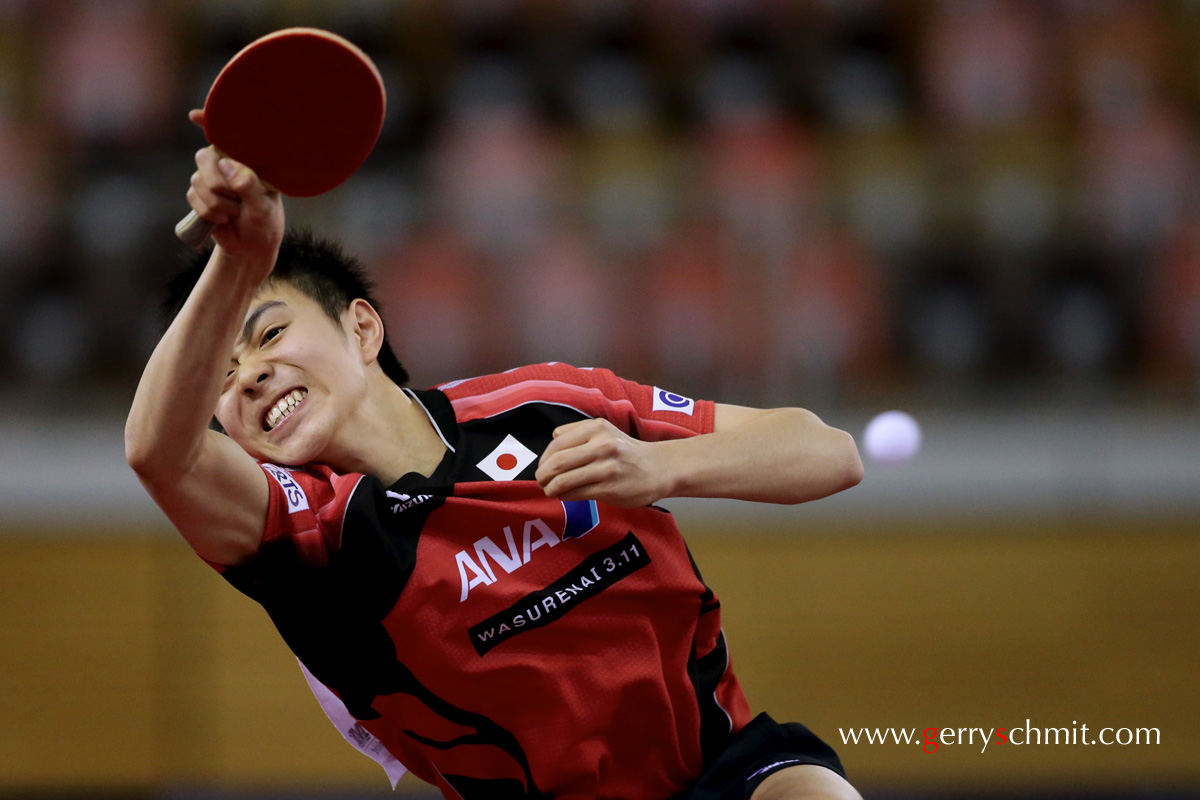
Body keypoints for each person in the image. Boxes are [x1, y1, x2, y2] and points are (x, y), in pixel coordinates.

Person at [125, 118, 866, 800]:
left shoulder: (545, 400)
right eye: (221, 375)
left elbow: (827, 453)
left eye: (268, 334)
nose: (247, 374)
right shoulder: (307, 535)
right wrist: (239, 259)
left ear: (361, 329)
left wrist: (660, 468)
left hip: (726, 770)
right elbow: (160, 453)